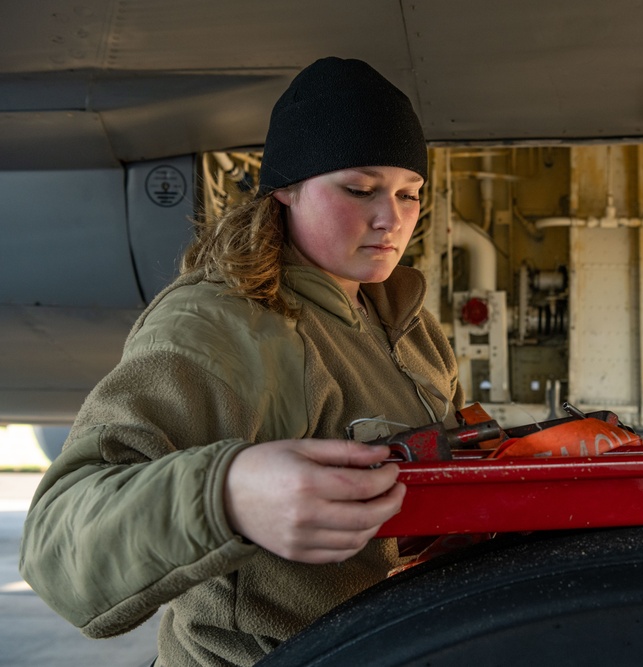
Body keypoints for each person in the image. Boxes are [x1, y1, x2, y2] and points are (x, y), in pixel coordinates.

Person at [19, 57, 463, 666]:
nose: (392, 219)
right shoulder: (228, 327)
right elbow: (58, 544)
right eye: (359, 190)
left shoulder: (409, 324)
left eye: (410, 194)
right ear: (286, 188)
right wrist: (227, 495)